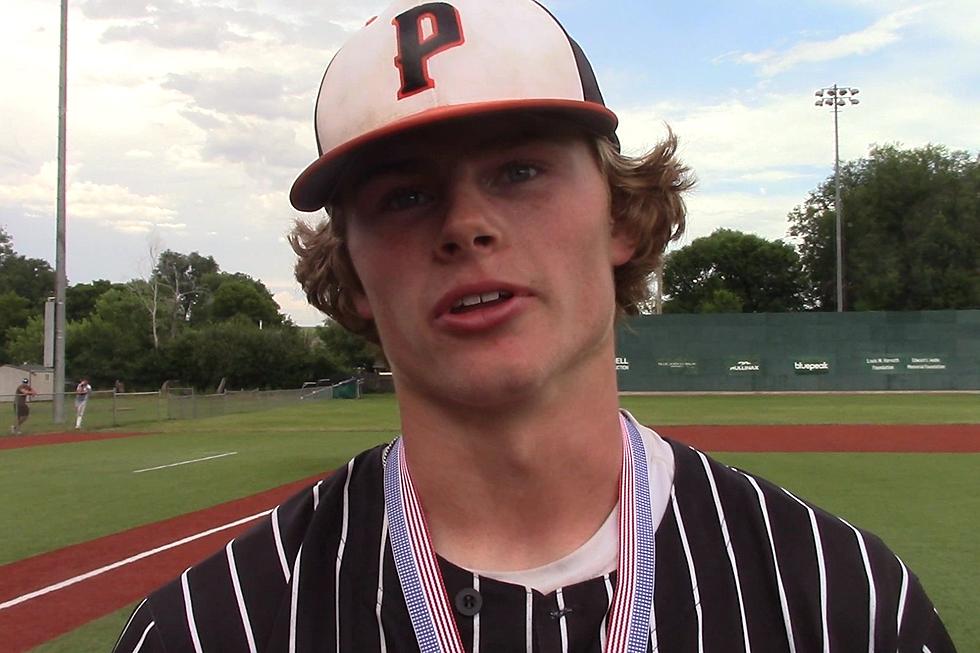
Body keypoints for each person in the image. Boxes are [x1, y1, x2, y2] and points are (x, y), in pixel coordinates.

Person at [114, 1, 956, 651]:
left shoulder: (846, 600)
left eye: (520, 170)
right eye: (403, 195)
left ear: (623, 216)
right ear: (354, 275)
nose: (466, 224)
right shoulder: (209, 627)